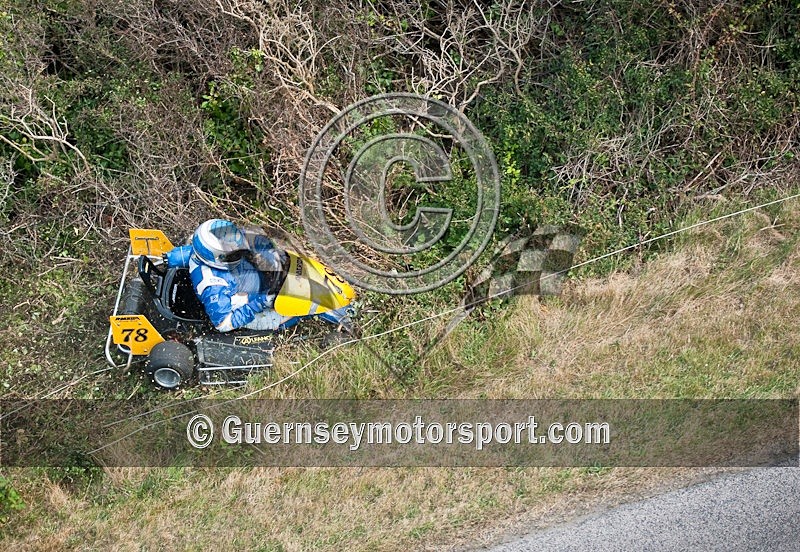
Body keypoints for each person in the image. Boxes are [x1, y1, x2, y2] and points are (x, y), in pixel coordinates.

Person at [163, 219, 290, 332]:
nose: (238, 251)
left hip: (250, 284)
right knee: (291, 315)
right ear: (216, 258)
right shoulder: (213, 287)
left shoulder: (211, 245)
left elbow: (248, 238)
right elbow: (223, 324)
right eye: (233, 253)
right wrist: (259, 303)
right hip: (246, 306)